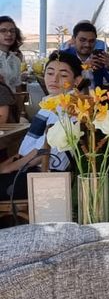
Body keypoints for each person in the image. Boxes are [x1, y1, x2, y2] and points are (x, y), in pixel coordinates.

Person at [0, 50, 81, 209]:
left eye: (63, 75)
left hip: (43, 177)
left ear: (77, 80)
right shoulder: (53, 102)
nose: (54, 79)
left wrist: (8, 167)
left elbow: (42, 152)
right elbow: (33, 144)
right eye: (50, 73)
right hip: (31, 170)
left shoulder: (68, 107)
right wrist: (10, 161)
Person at [63, 21, 109, 89]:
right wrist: (84, 67)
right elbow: (61, 81)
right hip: (70, 97)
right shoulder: (64, 56)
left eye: (91, 41)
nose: (87, 45)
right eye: (82, 40)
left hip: (96, 97)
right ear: (73, 39)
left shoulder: (99, 56)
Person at [0, 17, 24, 123]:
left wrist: (21, 110)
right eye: (3, 31)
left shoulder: (16, 60)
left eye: (12, 31)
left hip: (13, 106)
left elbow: (17, 87)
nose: (9, 34)